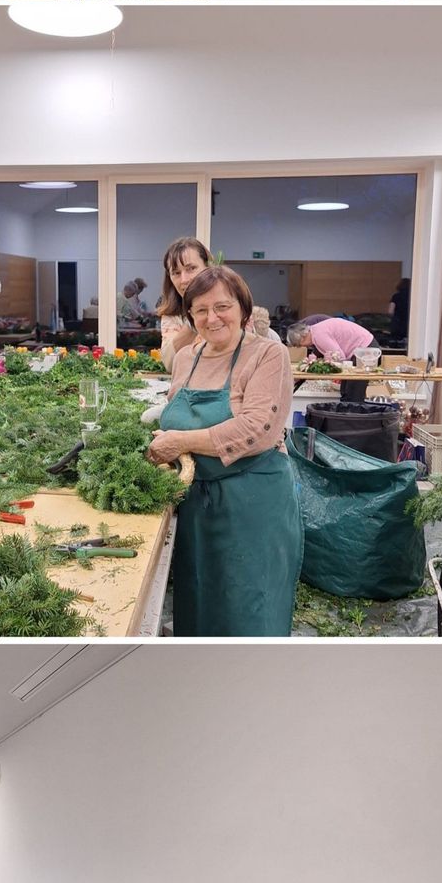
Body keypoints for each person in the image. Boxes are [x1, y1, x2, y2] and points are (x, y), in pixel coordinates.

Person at [148, 266, 302, 635]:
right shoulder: (188, 358)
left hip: (252, 502)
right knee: (199, 593)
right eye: (200, 310)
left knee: (250, 601)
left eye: (222, 307)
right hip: (196, 502)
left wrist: (180, 442)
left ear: (243, 309)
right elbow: (173, 418)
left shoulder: (268, 354)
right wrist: (161, 440)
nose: (211, 317)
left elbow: (257, 428)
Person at [156, 237, 213, 371]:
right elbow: (169, 363)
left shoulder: (229, 306)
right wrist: (193, 321)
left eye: (191, 268)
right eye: (176, 273)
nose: (184, 280)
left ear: (207, 267)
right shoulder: (172, 315)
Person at [287, 316, 375, 362]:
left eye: (299, 345)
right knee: (346, 389)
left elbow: (339, 357)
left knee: (352, 388)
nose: (303, 346)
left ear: (301, 339)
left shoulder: (318, 336)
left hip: (365, 347)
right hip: (365, 345)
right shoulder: (316, 330)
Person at [389, 277, 411, 344]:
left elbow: (390, 311)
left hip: (398, 324)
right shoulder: (412, 296)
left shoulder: (396, 296)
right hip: (409, 323)